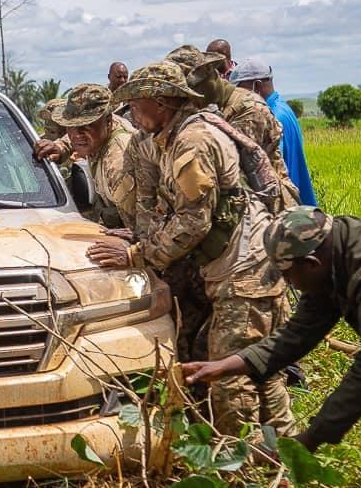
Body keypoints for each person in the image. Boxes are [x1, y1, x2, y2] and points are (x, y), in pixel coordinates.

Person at [86, 62, 296, 438]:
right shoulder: (173, 137)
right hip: (242, 266)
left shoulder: (192, 142)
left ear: (161, 103)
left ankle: (242, 460)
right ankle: (283, 452)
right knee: (261, 371)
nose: (131, 112)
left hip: (244, 273)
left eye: (137, 103)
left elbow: (192, 222)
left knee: (231, 379)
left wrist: (135, 255)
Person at [181, 207, 361, 488]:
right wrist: (227, 365)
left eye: (287, 275)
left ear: (310, 264)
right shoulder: (333, 255)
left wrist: (313, 437)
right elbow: (299, 332)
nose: (288, 284)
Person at [186, 49, 299, 211]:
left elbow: (236, 164)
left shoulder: (249, 108)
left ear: (210, 83)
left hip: (268, 206)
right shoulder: (219, 106)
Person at [34, 84, 137, 230]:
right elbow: (76, 134)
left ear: (108, 122)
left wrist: (134, 239)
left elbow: (141, 226)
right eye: (70, 126)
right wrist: (61, 147)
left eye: (86, 125)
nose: (77, 135)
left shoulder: (118, 162)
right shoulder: (100, 129)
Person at [230, 58, 317, 206]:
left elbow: (270, 166)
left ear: (257, 86)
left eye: (241, 91)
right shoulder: (283, 108)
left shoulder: (271, 116)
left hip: (288, 203)